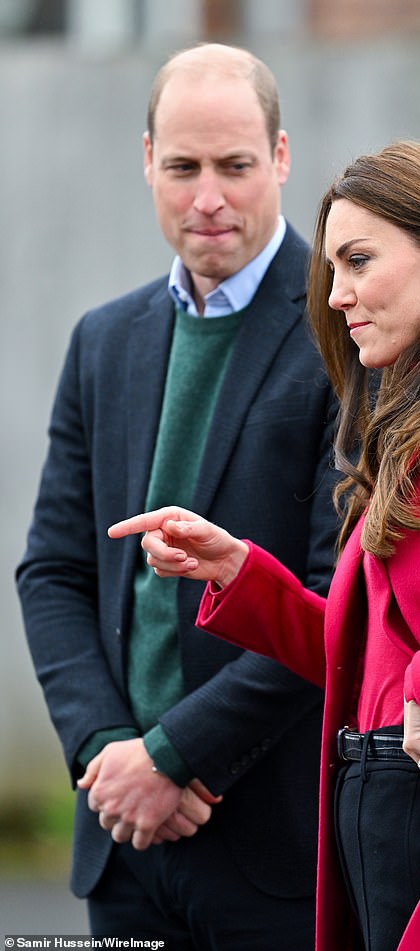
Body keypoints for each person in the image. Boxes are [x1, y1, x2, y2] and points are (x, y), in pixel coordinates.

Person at [109, 141, 420, 951]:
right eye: (334, 269)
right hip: (382, 801)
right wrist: (241, 572)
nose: (338, 295)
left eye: (358, 261)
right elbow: (368, 666)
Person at [16, 43, 340, 950]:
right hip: (122, 840)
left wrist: (176, 759)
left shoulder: (345, 333)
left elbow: (330, 603)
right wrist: (108, 755)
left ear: (280, 158)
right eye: (183, 166)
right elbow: (52, 570)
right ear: (145, 159)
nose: (208, 197)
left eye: (235, 166)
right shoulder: (103, 340)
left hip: (274, 845)